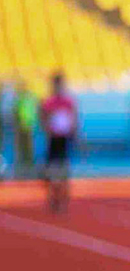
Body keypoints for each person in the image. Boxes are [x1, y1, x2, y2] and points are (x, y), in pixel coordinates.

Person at [39, 72, 77, 213]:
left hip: (64, 139)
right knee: (52, 170)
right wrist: (48, 129)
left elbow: (74, 119)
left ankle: (63, 197)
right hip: (53, 139)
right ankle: (53, 197)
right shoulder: (48, 102)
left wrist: (74, 133)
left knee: (63, 169)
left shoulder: (68, 102)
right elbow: (43, 119)